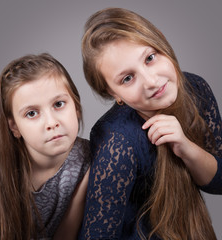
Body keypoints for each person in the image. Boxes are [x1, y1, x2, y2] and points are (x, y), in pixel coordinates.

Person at [78, 7, 222, 240]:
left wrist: (186, 148)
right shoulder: (117, 139)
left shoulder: (196, 90)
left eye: (150, 58)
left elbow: (219, 183)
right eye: (127, 78)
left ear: (162, 42)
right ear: (114, 93)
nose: (152, 82)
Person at [0, 53, 91, 239]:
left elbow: (66, 234)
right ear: (14, 127)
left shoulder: (87, 162)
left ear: (77, 107)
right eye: (32, 113)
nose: (51, 122)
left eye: (59, 104)